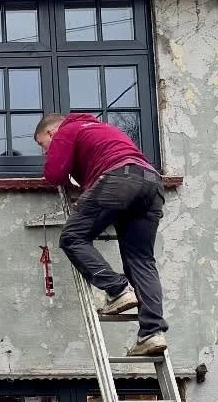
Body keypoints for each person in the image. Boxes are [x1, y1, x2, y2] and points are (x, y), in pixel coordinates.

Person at [35, 112, 168, 356]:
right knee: (141, 260)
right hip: (151, 183)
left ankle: (117, 289)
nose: (45, 151)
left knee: (72, 237)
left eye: (43, 145)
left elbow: (55, 174)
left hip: (119, 180)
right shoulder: (100, 129)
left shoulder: (67, 130)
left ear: (51, 133)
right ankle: (152, 332)